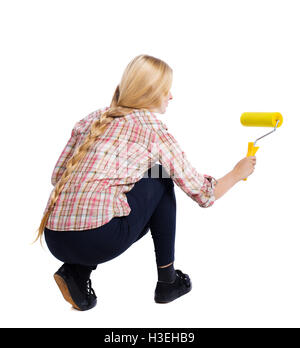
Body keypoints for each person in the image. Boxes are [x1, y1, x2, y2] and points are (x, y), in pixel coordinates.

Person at [34, 54, 256, 311]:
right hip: (98, 240)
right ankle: (167, 282)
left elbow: (57, 176)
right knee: (161, 178)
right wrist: (236, 173)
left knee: (146, 176)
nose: (171, 96)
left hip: (54, 238)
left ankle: (77, 273)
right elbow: (203, 195)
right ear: (150, 93)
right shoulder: (153, 131)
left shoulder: (92, 118)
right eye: (166, 90)